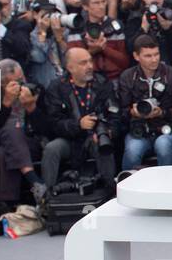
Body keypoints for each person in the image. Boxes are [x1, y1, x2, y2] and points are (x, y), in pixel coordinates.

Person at [40, 46, 120, 190]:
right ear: (70, 67)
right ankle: (48, 195)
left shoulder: (102, 83)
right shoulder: (56, 87)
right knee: (52, 149)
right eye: (83, 63)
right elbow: (54, 123)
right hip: (69, 138)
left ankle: (110, 191)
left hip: (95, 136)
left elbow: (115, 114)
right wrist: (78, 125)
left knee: (103, 145)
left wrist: (108, 132)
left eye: (90, 61)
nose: (89, 66)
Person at [118, 34, 172, 171]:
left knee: (163, 145)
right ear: (136, 56)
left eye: (156, 54)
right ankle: (126, 188)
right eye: (148, 56)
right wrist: (133, 112)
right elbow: (121, 112)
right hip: (139, 131)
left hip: (169, 129)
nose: (154, 59)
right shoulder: (127, 77)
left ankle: (168, 188)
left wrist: (162, 113)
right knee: (132, 150)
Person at [0, 59, 48, 208]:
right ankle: (34, 180)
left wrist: (31, 107)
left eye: (21, 79)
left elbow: (45, 128)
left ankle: (8, 204)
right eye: (13, 82)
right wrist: (6, 102)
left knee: (4, 153)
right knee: (11, 129)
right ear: (1, 83)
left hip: (28, 141)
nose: (20, 84)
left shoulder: (35, 89)